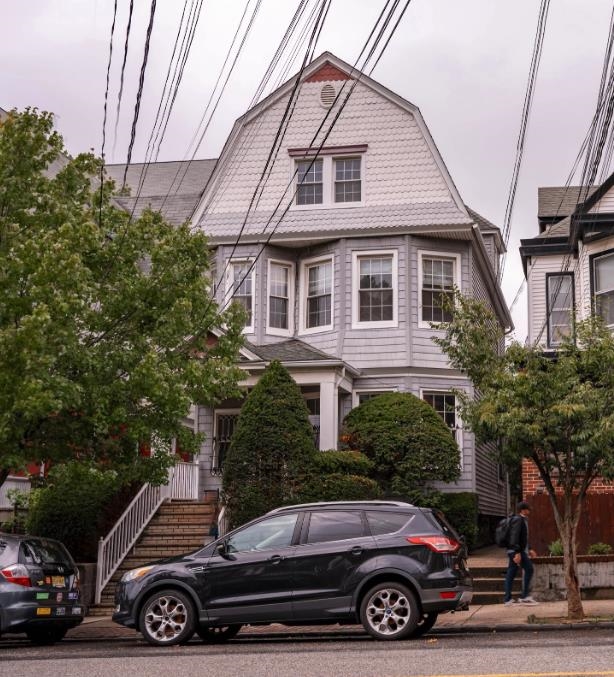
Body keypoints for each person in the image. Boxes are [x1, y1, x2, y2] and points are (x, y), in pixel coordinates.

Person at [503, 501, 539, 606]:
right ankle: (523, 597)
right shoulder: (518, 520)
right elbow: (514, 537)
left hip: (516, 550)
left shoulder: (522, 520)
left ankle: (509, 599)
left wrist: (530, 548)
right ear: (523, 510)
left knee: (511, 573)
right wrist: (517, 553)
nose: (530, 510)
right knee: (528, 569)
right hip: (516, 551)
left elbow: (523, 538)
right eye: (528, 509)